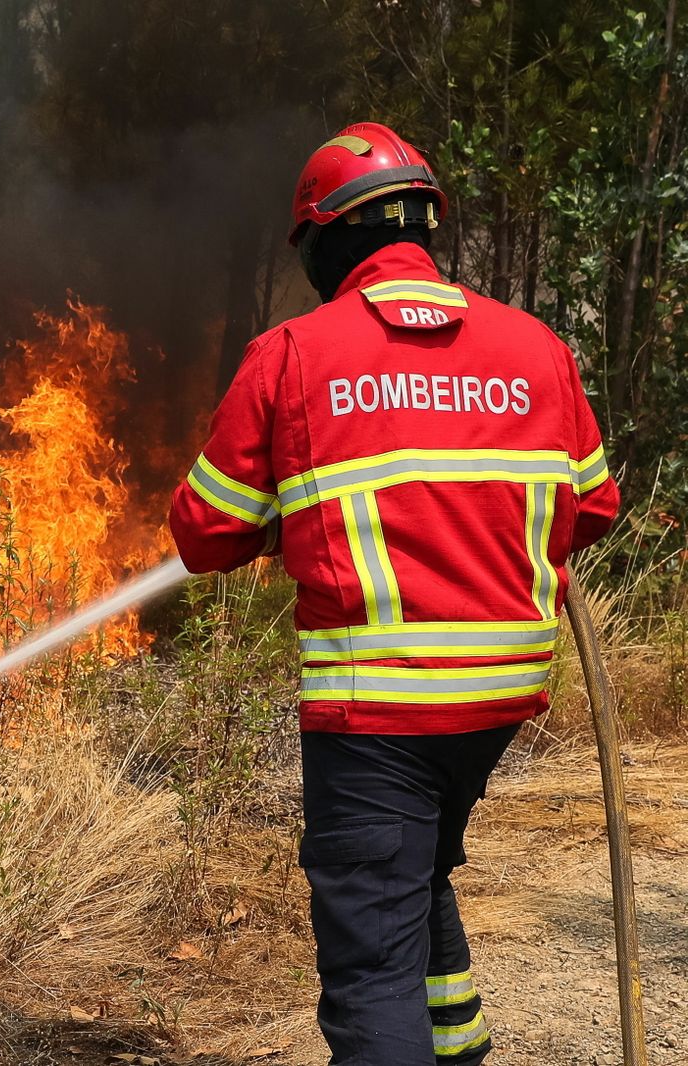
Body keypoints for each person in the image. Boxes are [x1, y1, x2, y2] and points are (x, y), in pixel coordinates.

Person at [167, 122, 620, 1065]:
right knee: (415, 874)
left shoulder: (293, 356)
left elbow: (204, 533)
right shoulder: (538, 350)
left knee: (370, 962)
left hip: (378, 719)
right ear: (425, 226)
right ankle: (456, 1043)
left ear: (327, 239)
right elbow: (596, 505)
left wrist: (286, 510)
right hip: (498, 704)